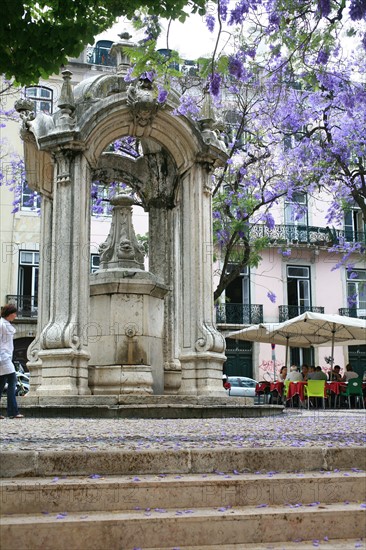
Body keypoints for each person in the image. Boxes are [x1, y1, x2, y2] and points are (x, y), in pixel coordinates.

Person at [0, 304, 24, 419]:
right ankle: (13, 412)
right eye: (14, 313)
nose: (15, 315)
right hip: (3, 358)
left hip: (5, 358)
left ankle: (11, 412)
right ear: (9, 314)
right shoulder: (1, 325)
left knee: (1, 385)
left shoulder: (6, 324)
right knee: (13, 381)